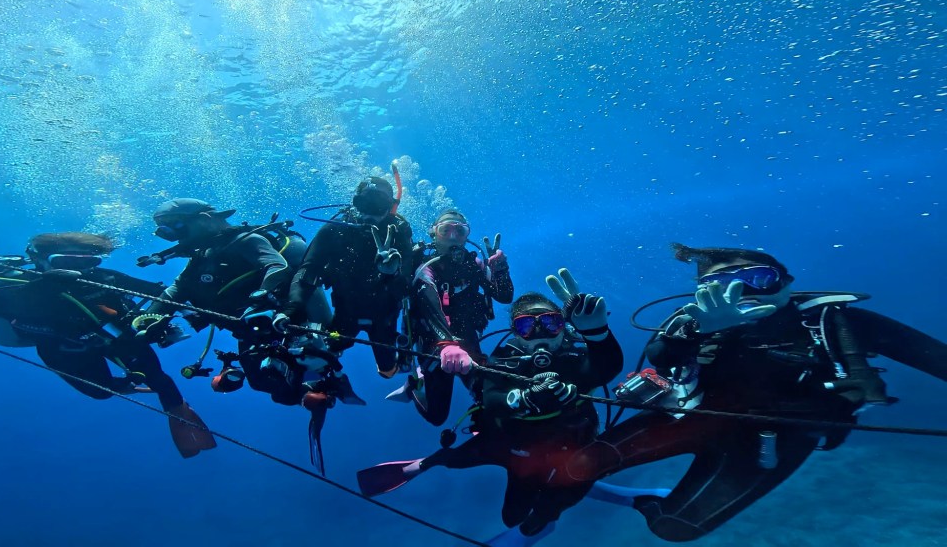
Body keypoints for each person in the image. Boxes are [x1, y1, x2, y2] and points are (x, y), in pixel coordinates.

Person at [564, 243, 947, 542]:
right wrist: (704, 329)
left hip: (774, 443)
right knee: (575, 467)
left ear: (787, 281)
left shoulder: (835, 321)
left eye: (758, 278)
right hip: (692, 417)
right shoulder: (694, 319)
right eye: (721, 283)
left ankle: (645, 500)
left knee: (673, 528)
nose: (743, 290)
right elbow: (660, 359)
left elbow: (933, 357)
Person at [358, 271, 640, 546]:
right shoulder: (505, 360)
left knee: (544, 510)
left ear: (564, 326)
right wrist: (522, 398)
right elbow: (491, 398)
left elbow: (604, 368)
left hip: (572, 448)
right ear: (515, 334)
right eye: (526, 327)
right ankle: (420, 465)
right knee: (510, 515)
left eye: (551, 323)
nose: (538, 333)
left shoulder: (575, 358)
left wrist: (597, 333)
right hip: (515, 449)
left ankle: (543, 520)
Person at [0, 232, 216, 458]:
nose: (80, 269)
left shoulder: (103, 277)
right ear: (40, 260)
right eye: (66, 261)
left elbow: (155, 291)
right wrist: (43, 286)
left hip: (115, 337)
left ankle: (176, 412)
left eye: (88, 261)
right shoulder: (26, 288)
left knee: (161, 380)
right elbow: (7, 310)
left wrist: (196, 307)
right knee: (101, 392)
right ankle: (129, 385)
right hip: (65, 350)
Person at [144, 198, 344, 407]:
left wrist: (262, 295)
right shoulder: (201, 259)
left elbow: (277, 266)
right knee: (263, 384)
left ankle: (324, 384)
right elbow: (176, 290)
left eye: (177, 227)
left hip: (279, 319)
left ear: (205, 219)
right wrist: (147, 317)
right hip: (249, 328)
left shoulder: (245, 240)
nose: (174, 238)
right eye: (165, 232)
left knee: (301, 364)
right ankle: (317, 391)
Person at [276, 177, 415, 379]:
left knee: (387, 371)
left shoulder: (398, 233)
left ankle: (401, 365)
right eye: (364, 204)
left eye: (378, 206)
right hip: (345, 313)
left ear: (390, 207)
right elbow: (308, 269)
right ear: (355, 203)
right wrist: (293, 308)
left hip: (384, 317)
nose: (369, 214)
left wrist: (392, 274)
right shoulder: (335, 229)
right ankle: (326, 382)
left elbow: (405, 288)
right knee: (325, 354)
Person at [389, 209, 514, 426]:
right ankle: (415, 383)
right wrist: (446, 344)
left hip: (468, 337)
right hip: (432, 342)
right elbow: (428, 299)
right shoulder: (427, 267)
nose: (453, 237)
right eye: (445, 230)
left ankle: (481, 424)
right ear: (434, 234)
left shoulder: (474, 265)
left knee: (490, 398)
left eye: (460, 231)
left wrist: (501, 271)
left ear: (467, 235)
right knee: (437, 416)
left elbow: (504, 296)